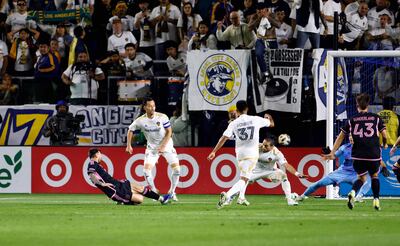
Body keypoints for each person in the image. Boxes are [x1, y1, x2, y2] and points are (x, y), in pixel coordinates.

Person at [323, 93, 387, 210]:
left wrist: (333, 151)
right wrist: (385, 143)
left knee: (361, 178)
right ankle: (376, 200)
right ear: (368, 105)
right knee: (374, 176)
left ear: (357, 105)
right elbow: (384, 134)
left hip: (357, 154)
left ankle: (352, 192)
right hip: (373, 153)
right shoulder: (376, 118)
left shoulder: (352, 120)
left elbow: (341, 136)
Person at [207, 100, 275, 208]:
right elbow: (271, 124)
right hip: (252, 154)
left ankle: (241, 197)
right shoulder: (255, 119)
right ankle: (227, 195)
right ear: (247, 108)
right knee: (244, 179)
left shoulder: (234, 123)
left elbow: (223, 138)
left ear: (237, 111)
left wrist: (214, 151)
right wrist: (269, 117)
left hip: (240, 155)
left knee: (244, 177)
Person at [126, 98, 180, 201]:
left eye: (154, 105)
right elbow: (130, 130)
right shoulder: (140, 120)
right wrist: (129, 145)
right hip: (152, 148)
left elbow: (169, 132)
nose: (153, 108)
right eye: (150, 106)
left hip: (167, 145)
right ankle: (154, 192)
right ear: (145, 107)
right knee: (146, 171)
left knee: (177, 170)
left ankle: (172, 192)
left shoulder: (162, 117)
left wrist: (163, 146)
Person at [226, 136, 307, 206]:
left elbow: (286, 165)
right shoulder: (256, 146)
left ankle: (290, 200)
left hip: (270, 171)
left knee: (283, 175)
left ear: (272, 147)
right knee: (243, 181)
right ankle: (232, 197)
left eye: (266, 146)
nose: (263, 147)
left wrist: (297, 174)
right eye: (263, 144)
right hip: (255, 171)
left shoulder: (277, 153)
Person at [298, 140, 380, 203]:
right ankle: (302, 196)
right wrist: (328, 154)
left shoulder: (364, 148)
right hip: (341, 172)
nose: (351, 138)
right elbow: (334, 156)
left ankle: (359, 197)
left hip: (356, 174)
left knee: (368, 180)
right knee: (320, 183)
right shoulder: (344, 147)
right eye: (350, 136)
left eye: (353, 136)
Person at [87, 148, 172, 205]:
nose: (101, 156)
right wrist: (102, 184)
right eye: (100, 154)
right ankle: (123, 201)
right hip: (116, 191)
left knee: (140, 188)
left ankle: (162, 199)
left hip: (118, 184)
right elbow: (91, 175)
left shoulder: (97, 165)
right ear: (97, 154)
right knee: (140, 199)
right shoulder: (92, 163)